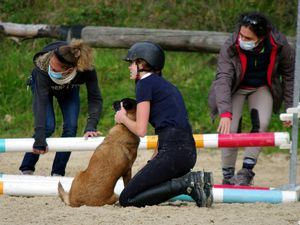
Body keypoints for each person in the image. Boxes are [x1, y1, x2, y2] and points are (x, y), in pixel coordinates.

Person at [114, 41, 213, 207]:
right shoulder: (165, 85)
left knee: (126, 199)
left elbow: (141, 130)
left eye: (132, 63)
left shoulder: (144, 84)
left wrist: (123, 118)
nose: (129, 67)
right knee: (143, 185)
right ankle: (194, 186)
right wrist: (153, 161)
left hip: (174, 153)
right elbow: (168, 127)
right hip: (186, 153)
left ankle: (187, 183)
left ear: (142, 64)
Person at [208, 12, 295, 186]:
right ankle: (228, 175)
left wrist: (290, 108)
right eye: (240, 34)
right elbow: (223, 78)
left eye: (247, 37)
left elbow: (289, 75)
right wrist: (225, 113)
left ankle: (246, 172)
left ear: (261, 38)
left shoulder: (279, 44)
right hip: (235, 87)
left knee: (261, 124)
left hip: (262, 87)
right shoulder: (230, 45)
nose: (242, 39)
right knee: (230, 128)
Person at [19, 39, 103, 176]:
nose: (51, 68)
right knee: (47, 126)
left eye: (55, 68)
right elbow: (40, 103)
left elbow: (95, 98)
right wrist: (39, 138)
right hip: (43, 84)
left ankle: (57, 172)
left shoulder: (86, 70)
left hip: (69, 87)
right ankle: (26, 168)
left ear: (69, 69)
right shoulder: (43, 65)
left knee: (71, 127)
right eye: (51, 65)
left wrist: (91, 126)